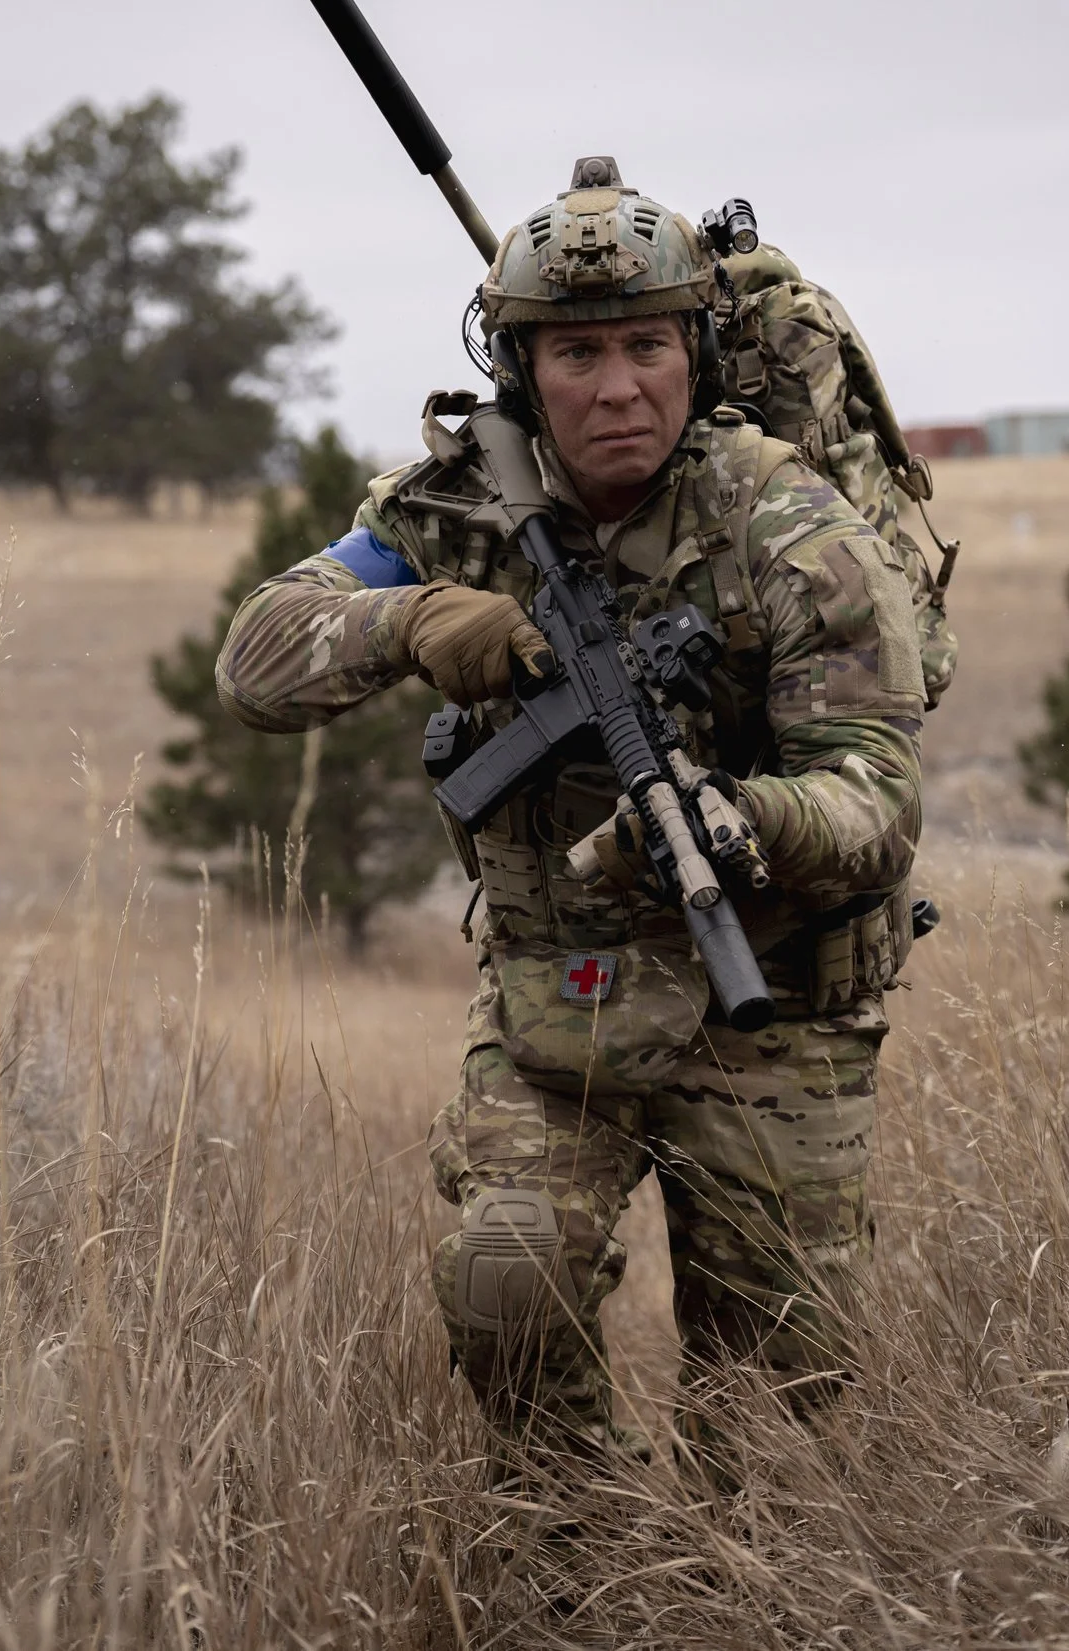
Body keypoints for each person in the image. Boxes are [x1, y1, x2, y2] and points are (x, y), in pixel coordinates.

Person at [216, 157, 927, 1478]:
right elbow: (259, 656)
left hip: (772, 986)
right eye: (578, 353)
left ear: (696, 350)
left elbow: (875, 797)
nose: (617, 387)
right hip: (564, 990)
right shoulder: (457, 506)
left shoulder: (791, 522)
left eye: (650, 346)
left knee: (776, 1403)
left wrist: (740, 820)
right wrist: (421, 616)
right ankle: (578, 1555)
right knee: (504, 1286)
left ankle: (731, 1599)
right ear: (520, 370)